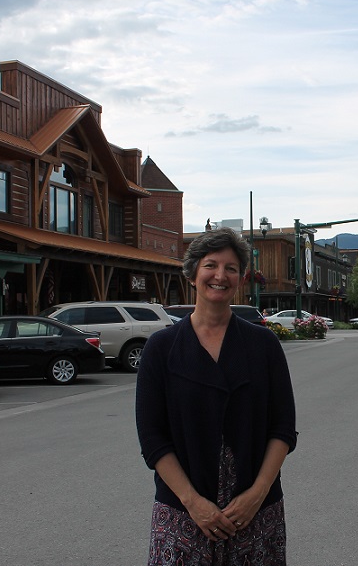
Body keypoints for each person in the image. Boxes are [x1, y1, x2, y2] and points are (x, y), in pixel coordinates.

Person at [136, 227, 298, 565]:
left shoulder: (263, 345)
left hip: (255, 513)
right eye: (211, 265)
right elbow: (153, 439)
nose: (220, 276)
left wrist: (256, 495)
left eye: (231, 268)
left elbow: (282, 429)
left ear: (240, 278)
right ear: (193, 273)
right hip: (182, 511)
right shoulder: (161, 349)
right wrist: (194, 503)